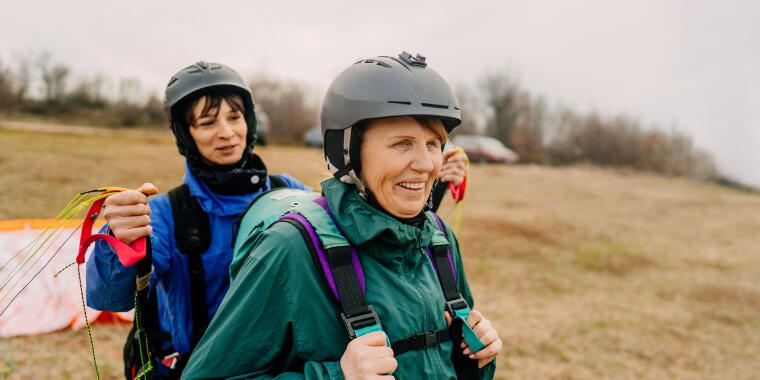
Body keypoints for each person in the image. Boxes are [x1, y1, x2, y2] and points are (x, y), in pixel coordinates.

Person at [85, 61, 468, 379]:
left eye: (234, 117)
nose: (226, 132)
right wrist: (118, 238)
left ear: (250, 121)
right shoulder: (170, 213)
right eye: (207, 122)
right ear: (186, 135)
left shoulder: (289, 193)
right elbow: (110, 298)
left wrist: (424, 191)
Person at [182, 52, 501, 379]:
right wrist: (336, 376)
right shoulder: (290, 249)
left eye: (433, 143)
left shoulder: (439, 239)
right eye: (402, 144)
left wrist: (475, 359)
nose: (426, 163)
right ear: (346, 152)